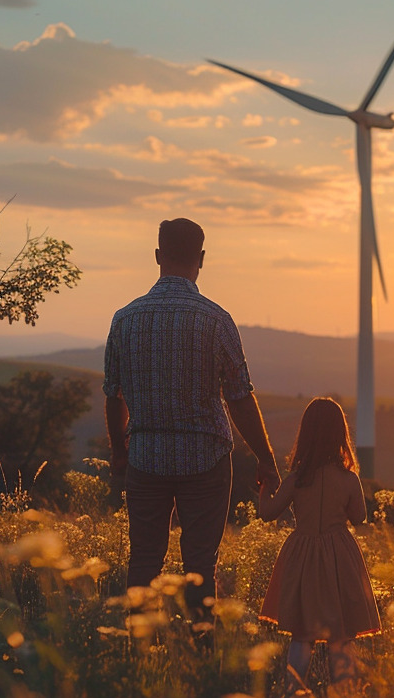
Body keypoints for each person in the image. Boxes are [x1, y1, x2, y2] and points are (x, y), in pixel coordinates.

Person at [104, 218, 280, 617]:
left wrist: (119, 451)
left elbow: (113, 394)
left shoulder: (125, 319)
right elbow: (239, 398)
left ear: (157, 256)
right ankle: (200, 646)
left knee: (144, 561)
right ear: (201, 258)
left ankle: (141, 649)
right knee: (200, 564)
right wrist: (266, 461)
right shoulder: (216, 320)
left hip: (145, 456)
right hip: (206, 459)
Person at [257, 397, 381, 685]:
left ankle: (293, 695)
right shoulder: (349, 479)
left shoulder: (296, 478)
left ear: (306, 433)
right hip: (339, 557)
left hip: (303, 556)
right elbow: (360, 517)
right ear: (341, 434)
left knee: (302, 634)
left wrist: (264, 488)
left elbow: (268, 513)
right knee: (341, 634)